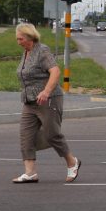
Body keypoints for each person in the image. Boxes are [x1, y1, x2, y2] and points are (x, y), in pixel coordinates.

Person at [13, 23, 81, 184]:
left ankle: (72, 162)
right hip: (29, 102)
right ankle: (30, 173)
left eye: (20, 38)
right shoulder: (26, 52)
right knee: (26, 136)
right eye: (17, 39)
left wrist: (46, 91)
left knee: (52, 134)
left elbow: (55, 71)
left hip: (49, 99)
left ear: (29, 37)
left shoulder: (41, 50)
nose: (18, 42)